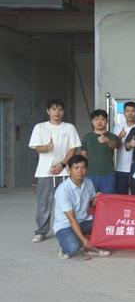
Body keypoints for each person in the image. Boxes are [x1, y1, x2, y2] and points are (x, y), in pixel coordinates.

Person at [28, 99, 81, 243]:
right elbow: (36, 147)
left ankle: (69, 229)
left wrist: (62, 164)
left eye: (60, 109)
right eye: (54, 109)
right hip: (45, 172)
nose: (57, 112)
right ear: (48, 111)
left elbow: (73, 148)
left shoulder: (69, 127)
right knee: (44, 203)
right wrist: (47, 147)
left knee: (68, 202)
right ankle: (41, 231)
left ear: (63, 112)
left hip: (65, 172)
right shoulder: (40, 127)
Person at [53, 155, 111, 259]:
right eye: (76, 168)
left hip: (84, 221)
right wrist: (83, 240)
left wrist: (96, 199)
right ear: (69, 169)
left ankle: (87, 244)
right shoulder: (63, 190)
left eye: (83, 167)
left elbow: (91, 204)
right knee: (73, 247)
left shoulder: (89, 183)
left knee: (106, 225)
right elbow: (71, 219)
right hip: (65, 225)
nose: (80, 171)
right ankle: (66, 245)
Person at [81, 109, 119, 194]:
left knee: (108, 199)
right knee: (90, 198)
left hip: (108, 174)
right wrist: (82, 171)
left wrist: (107, 140)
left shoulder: (112, 136)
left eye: (102, 119)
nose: (99, 122)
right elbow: (83, 155)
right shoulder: (87, 137)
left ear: (107, 121)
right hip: (90, 173)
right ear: (92, 121)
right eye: (96, 119)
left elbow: (115, 145)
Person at [114, 101, 135, 195]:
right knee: (121, 196)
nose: (130, 113)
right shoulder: (118, 127)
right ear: (124, 112)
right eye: (127, 111)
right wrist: (120, 137)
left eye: (133, 111)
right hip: (121, 167)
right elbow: (115, 146)